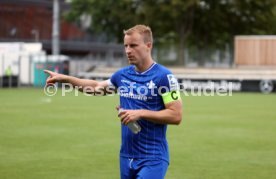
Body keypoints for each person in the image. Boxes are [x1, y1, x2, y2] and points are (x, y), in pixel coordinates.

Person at [44, 24, 182, 179]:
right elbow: (96, 87)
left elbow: (176, 115)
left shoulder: (164, 77)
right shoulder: (122, 75)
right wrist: (65, 79)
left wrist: (140, 113)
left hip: (153, 157)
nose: (128, 51)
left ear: (148, 46)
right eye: (126, 46)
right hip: (126, 156)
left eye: (133, 45)